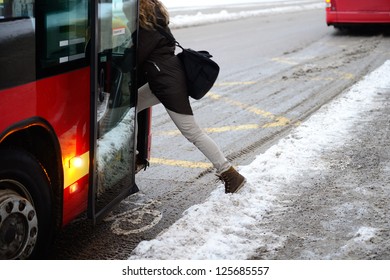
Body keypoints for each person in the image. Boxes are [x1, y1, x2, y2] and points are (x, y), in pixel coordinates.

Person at [132, 0, 246, 193]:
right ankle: (134, 158)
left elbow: (135, 57)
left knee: (193, 132)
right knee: (129, 108)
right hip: (164, 77)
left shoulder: (147, 29)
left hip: (167, 83)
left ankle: (229, 173)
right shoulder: (155, 18)